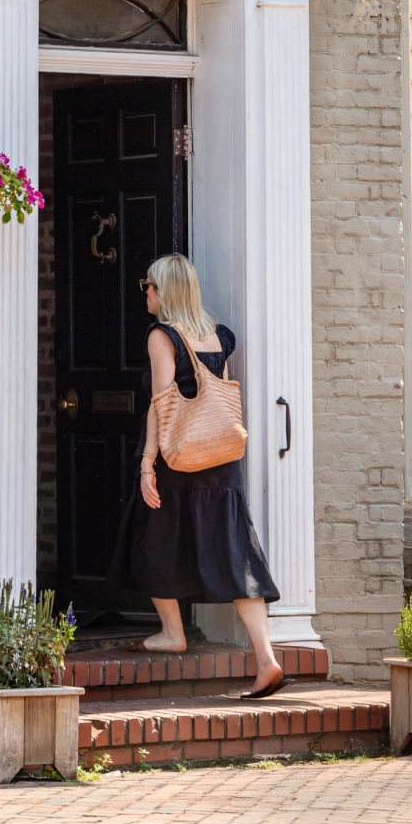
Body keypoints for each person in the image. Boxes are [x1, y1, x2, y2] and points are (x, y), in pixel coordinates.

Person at [117, 253, 287, 699]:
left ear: (165, 291)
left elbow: (162, 403)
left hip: (180, 458)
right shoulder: (215, 336)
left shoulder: (162, 336)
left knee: (152, 541)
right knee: (235, 556)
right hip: (220, 460)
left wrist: (146, 463)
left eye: (149, 285)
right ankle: (266, 659)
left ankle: (172, 633)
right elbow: (223, 396)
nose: (145, 292)